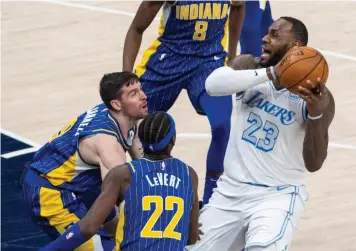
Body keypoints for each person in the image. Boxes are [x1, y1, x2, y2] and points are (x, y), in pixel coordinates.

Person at [187, 17, 335, 251]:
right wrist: (273, 73)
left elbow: (314, 163)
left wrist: (316, 115)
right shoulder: (249, 66)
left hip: (276, 197)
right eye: (267, 32)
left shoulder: (317, 97)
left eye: (275, 35)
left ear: (295, 48)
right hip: (230, 192)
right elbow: (212, 86)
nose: (265, 38)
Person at [122, 0, 245, 206]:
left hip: (209, 60)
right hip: (168, 58)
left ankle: (210, 201)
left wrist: (231, 55)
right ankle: (138, 188)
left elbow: (239, 6)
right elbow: (136, 28)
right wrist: (126, 75)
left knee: (222, 126)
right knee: (125, 120)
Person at [22, 72, 148, 250]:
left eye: (140, 90)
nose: (143, 96)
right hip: (50, 192)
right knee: (104, 246)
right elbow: (119, 195)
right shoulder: (108, 144)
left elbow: (142, 162)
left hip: (78, 183)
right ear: (116, 104)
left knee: (118, 226)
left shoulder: (125, 115)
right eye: (133, 94)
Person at [39, 111, 200, 251]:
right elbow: (192, 238)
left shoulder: (124, 174)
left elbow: (88, 227)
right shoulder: (189, 174)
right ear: (173, 139)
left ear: (140, 139)